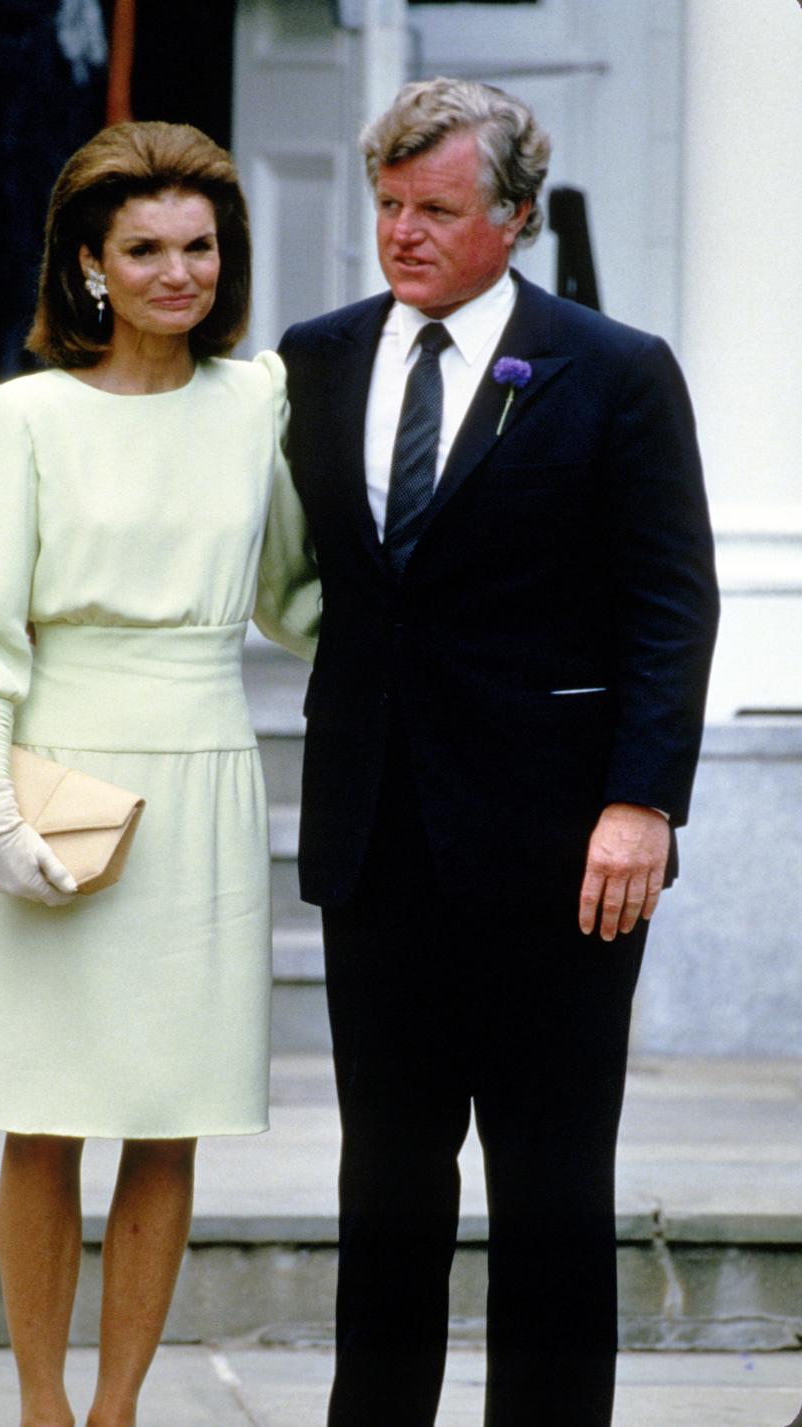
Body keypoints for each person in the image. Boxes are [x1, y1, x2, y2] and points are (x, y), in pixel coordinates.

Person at [278, 77, 719, 1427]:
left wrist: (641, 800)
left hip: (560, 851)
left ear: (515, 218)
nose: (403, 234)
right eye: (388, 207)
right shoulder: (320, 355)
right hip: (378, 836)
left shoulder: (616, 368)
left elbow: (669, 599)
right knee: (390, 1183)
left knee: (548, 1184)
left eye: (438, 210)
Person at [0, 120, 318, 1427]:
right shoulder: (15, 416)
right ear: (90, 264)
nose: (179, 272)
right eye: (146, 248)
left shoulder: (260, 400)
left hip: (208, 772)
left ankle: (118, 1415)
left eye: (200, 245)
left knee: (171, 1118)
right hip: (64, 783)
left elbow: (295, 602)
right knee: (42, 1114)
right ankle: (42, 1409)